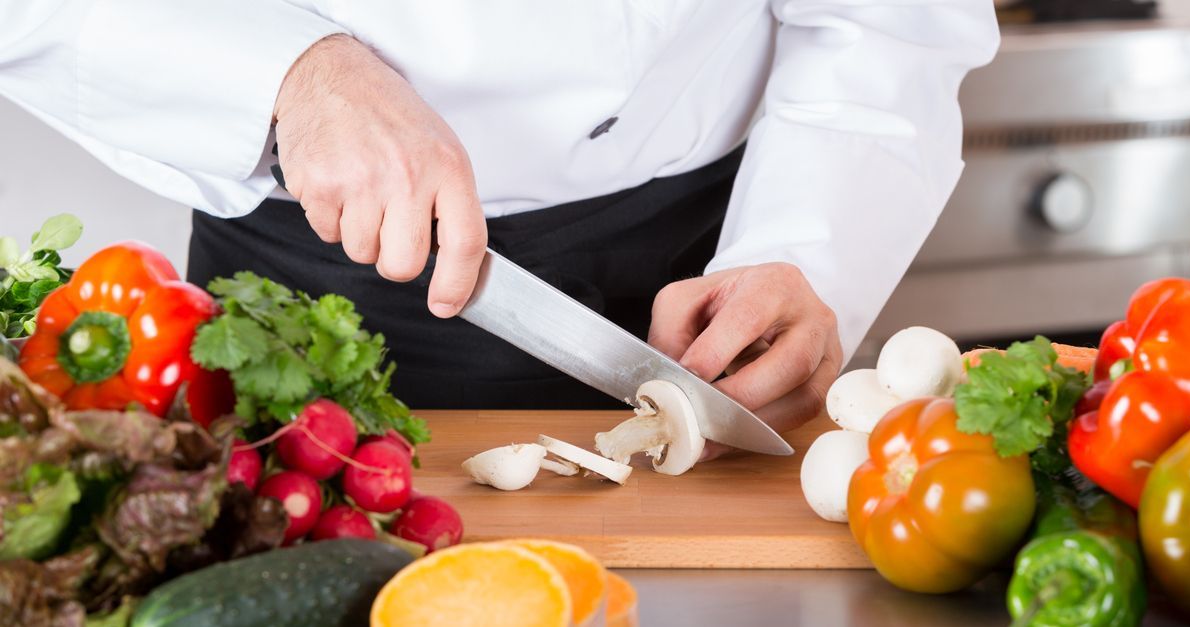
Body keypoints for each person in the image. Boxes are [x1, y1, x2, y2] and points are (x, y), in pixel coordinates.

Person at [0, 2, 999, 453]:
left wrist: (808, 243)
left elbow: (890, 21)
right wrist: (288, 71)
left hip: (695, 282)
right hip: (295, 288)